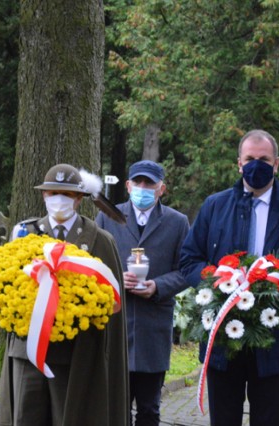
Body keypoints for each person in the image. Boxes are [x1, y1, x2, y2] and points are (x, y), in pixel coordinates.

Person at [180, 130, 279, 426]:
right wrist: (217, 281)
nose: (256, 165)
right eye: (250, 159)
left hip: (276, 342)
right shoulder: (215, 206)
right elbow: (189, 259)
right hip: (223, 340)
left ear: (276, 164)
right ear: (238, 163)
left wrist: (278, 291)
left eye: (264, 159)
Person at [0, 163, 129, 426]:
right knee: (26, 417)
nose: (59, 200)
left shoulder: (100, 241)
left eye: (66, 195)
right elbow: (4, 287)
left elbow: (113, 304)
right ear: (44, 196)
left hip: (76, 354)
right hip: (28, 351)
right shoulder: (24, 234)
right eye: (53, 193)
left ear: (79, 199)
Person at [96, 160, 190, 426]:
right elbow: (91, 264)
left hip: (153, 328)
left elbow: (186, 270)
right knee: (116, 408)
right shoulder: (106, 216)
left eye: (150, 183)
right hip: (116, 326)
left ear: (162, 189)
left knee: (149, 409)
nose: (143, 188)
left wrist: (158, 286)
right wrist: (115, 279)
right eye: (138, 182)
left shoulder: (177, 222)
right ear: (127, 186)